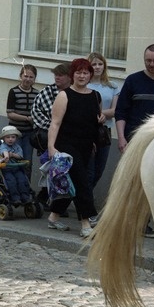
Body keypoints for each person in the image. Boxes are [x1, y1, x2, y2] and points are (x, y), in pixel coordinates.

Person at [45, 58, 103, 238]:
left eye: (85, 72)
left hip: (86, 146)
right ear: (72, 75)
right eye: (78, 72)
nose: (82, 76)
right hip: (66, 145)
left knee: (71, 182)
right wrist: (51, 147)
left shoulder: (95, 96)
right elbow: (55, 123)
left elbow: (94, 121)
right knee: (82, 182)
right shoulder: (64, 95)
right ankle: (86, 223)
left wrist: (95, 136)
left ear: (90, 75)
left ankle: (54, 217)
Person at [114, 43, 154, 238]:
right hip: (134, 141)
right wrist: (122, 138)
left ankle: (146, 223)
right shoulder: (133, 81)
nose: (152, 64)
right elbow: (121, 111)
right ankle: (129, 222)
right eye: (148, 60)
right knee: (131, 183)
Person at [30, 62, 71, 207]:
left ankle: (56, 202)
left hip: (69, 138)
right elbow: (37, 113)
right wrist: (53, 128)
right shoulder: (47, 92)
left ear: (69, 76)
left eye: (60, 75)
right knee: (50, 170)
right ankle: (47, 199)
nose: (57, 77)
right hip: (50, 138)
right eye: (55, 75)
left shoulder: (74, 92)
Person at [86, 52, 120, 191]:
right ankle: (85, 203)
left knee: (99, 170)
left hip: (104, 132)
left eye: (100, 64)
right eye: (94, 64)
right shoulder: (85, 85)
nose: (97, 67)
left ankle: (84, 196)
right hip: (87, 131)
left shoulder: (112, 86)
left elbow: (114, 111)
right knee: (89, 170)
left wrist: (99, 114)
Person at [5, 64, 38, 177]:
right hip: (14, 133)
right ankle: (14, 187)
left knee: (27, 161)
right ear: (20, 76)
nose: (28, 79)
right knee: (14, 160)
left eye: (31, 77)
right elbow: (10, 113)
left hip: (29, 133)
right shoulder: (13, 91)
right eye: (25, 76)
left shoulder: (37, 94)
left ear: (34, 79)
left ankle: (26, 187)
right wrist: (27, 118)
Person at [0, 125, 32, 206]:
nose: (10, 139)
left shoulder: (17, 147)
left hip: (17, 168)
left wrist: (12, 155)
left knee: (22, 180)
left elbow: (20, 156)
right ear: (4, 138)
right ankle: (15, 198)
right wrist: (6, 155)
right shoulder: (3, 146)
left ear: (16, 138)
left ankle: (25, 197)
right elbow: (3, 151)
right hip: (7, 169)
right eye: (8, 137)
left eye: (13, 137)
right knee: (11, 181)